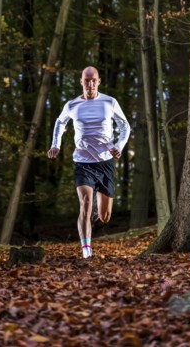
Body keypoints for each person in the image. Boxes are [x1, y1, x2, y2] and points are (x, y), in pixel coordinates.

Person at [47, 66, 131, 259]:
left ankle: (96, 210)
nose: (90, 84)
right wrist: (56, 145)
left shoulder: (110, 102)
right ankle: (86, 250)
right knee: (84, 203)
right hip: (83, 162)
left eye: (94, 81)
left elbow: (125, 125)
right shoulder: (72, 105)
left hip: (105, 162)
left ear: (99, 81)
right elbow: (60, 123)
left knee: (105, 217)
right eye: (87, 81)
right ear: (81, 81)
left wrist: (119, 145)